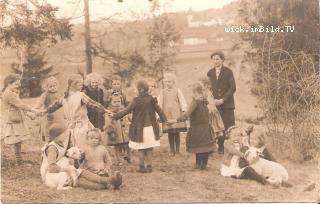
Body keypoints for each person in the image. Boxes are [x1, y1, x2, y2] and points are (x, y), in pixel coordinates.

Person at [41, 124, 122, 190]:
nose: (66, 135)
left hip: (61, 173)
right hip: (53, 176)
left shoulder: (60, 144)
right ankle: (109, 182)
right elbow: (51, 168)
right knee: (80, 178)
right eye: (64, 134)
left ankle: (108, 182)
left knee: (81, 173)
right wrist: (68, 169)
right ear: (57, 136)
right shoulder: (52, 149)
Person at [112, 79, 167, 173]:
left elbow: (126, 111)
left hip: (140, 129)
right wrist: (164, 120)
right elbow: (159, 110)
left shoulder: (136, 101)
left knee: (141, 148)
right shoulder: (151, 99)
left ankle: (142, 167)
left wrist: (115, 116)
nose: (135, 90)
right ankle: (149, 166)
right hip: (151, 129)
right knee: (149, 148)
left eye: (136, 88)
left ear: (140, 89)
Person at [44, 74, 111, 150]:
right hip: (82, 126)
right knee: (85, 146)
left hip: (69, 127)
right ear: (73, 85)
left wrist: (44, 111)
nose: (82, 87)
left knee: (71, 147)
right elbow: (93, 104)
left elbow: (53, 107)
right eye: (80, 85)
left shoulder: (64, 97)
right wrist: (105, 110)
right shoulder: (80, 95)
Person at [2, 74, 40, 165]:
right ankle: (19, 162)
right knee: (16, 141)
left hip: (16, 118)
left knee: (17, 142)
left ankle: (19, 161)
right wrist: (33, 110)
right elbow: (21, 105)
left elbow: (19, 107)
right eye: (16, 84)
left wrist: (29, 115)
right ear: (8, 84)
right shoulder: (9, 94)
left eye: (19, 84)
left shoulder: (12, 92)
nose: (18, 86)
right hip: (13, 120)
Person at [177, 82, 215, 170]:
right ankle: (204, 165)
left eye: (191, 93)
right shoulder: (204, 101)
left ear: (195, 93)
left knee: (199, 147)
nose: (190, 95)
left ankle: (198, 164)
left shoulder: (195, 102)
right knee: (205, 147)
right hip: (206, 127)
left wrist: (177, 119)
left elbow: (187, 114)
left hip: (197, 128)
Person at [207, 51, 236, 154]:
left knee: (228, 126)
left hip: (227, 105)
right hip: (215, 105)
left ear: (222, 60)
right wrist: (212, 100)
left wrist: (223, 100)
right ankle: (220, 148)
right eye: (214, 59)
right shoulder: (210, 73)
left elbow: (233, 87)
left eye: (218, 59)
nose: (216, 61)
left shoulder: (228, 71)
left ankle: (230, 148)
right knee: (217, 126)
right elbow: (208, 88)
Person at [158, 73, 187, 156]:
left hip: (176, 114)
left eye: (170, 82)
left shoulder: (177, 90)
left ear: (173, 82)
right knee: (170, 133)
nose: (168, 83)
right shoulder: (162, 92)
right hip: (167, 114)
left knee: (176, 132)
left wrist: (184, 110)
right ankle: (172, 150)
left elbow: (182, 101)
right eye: (166, 82)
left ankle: (177, 150)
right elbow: (159, 103)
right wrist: (159, 114)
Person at [104, 75, 131, 164]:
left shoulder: (123, 93)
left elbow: (126, 104)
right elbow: (105, 105)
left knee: (126, 139)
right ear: (111, 85)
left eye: (118, 84)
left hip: (123, 117)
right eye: (114, 84)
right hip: (114, 119)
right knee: (117, 140)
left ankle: (128, 156)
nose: (116, 85)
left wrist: (126, 113)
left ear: (121, 84)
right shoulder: (108, 93)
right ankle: (119, 159)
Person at [35, 76, 64, 142]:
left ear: (57, 85)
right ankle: (48, 144)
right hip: (49, 116)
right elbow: (39, 103)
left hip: (60, 116)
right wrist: (36, 109)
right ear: (46, 87)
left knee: (60, 131)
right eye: (50, 87)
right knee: (49, 131)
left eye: (54, 85)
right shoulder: (45, 95)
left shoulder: (61, 94)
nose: (53, 88)